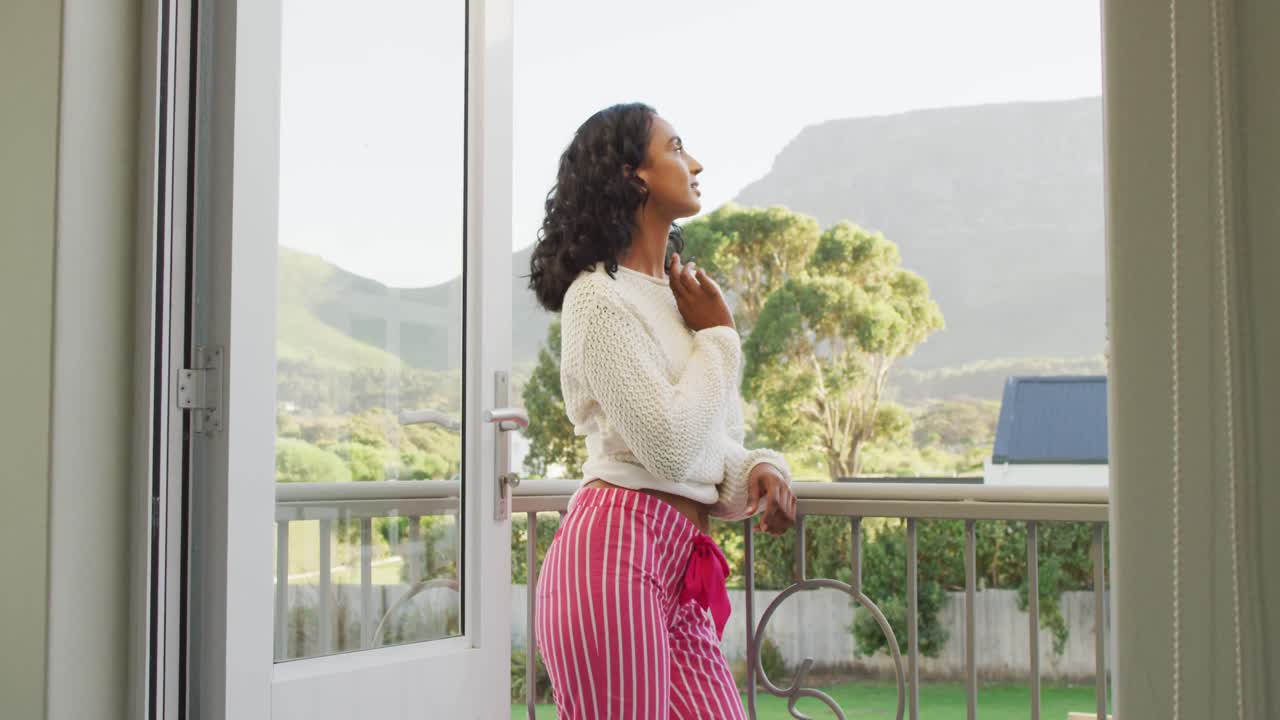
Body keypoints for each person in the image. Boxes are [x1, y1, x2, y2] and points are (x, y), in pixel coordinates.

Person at [527, 102, 798, 719]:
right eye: (676, 147)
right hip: (613, 558)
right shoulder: (596, 299)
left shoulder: (681, 302)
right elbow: (668, 446)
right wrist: (721, 340)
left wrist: (757, 466)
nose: (695, 162)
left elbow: (708, 444)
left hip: (679, 567)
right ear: (633, 175)